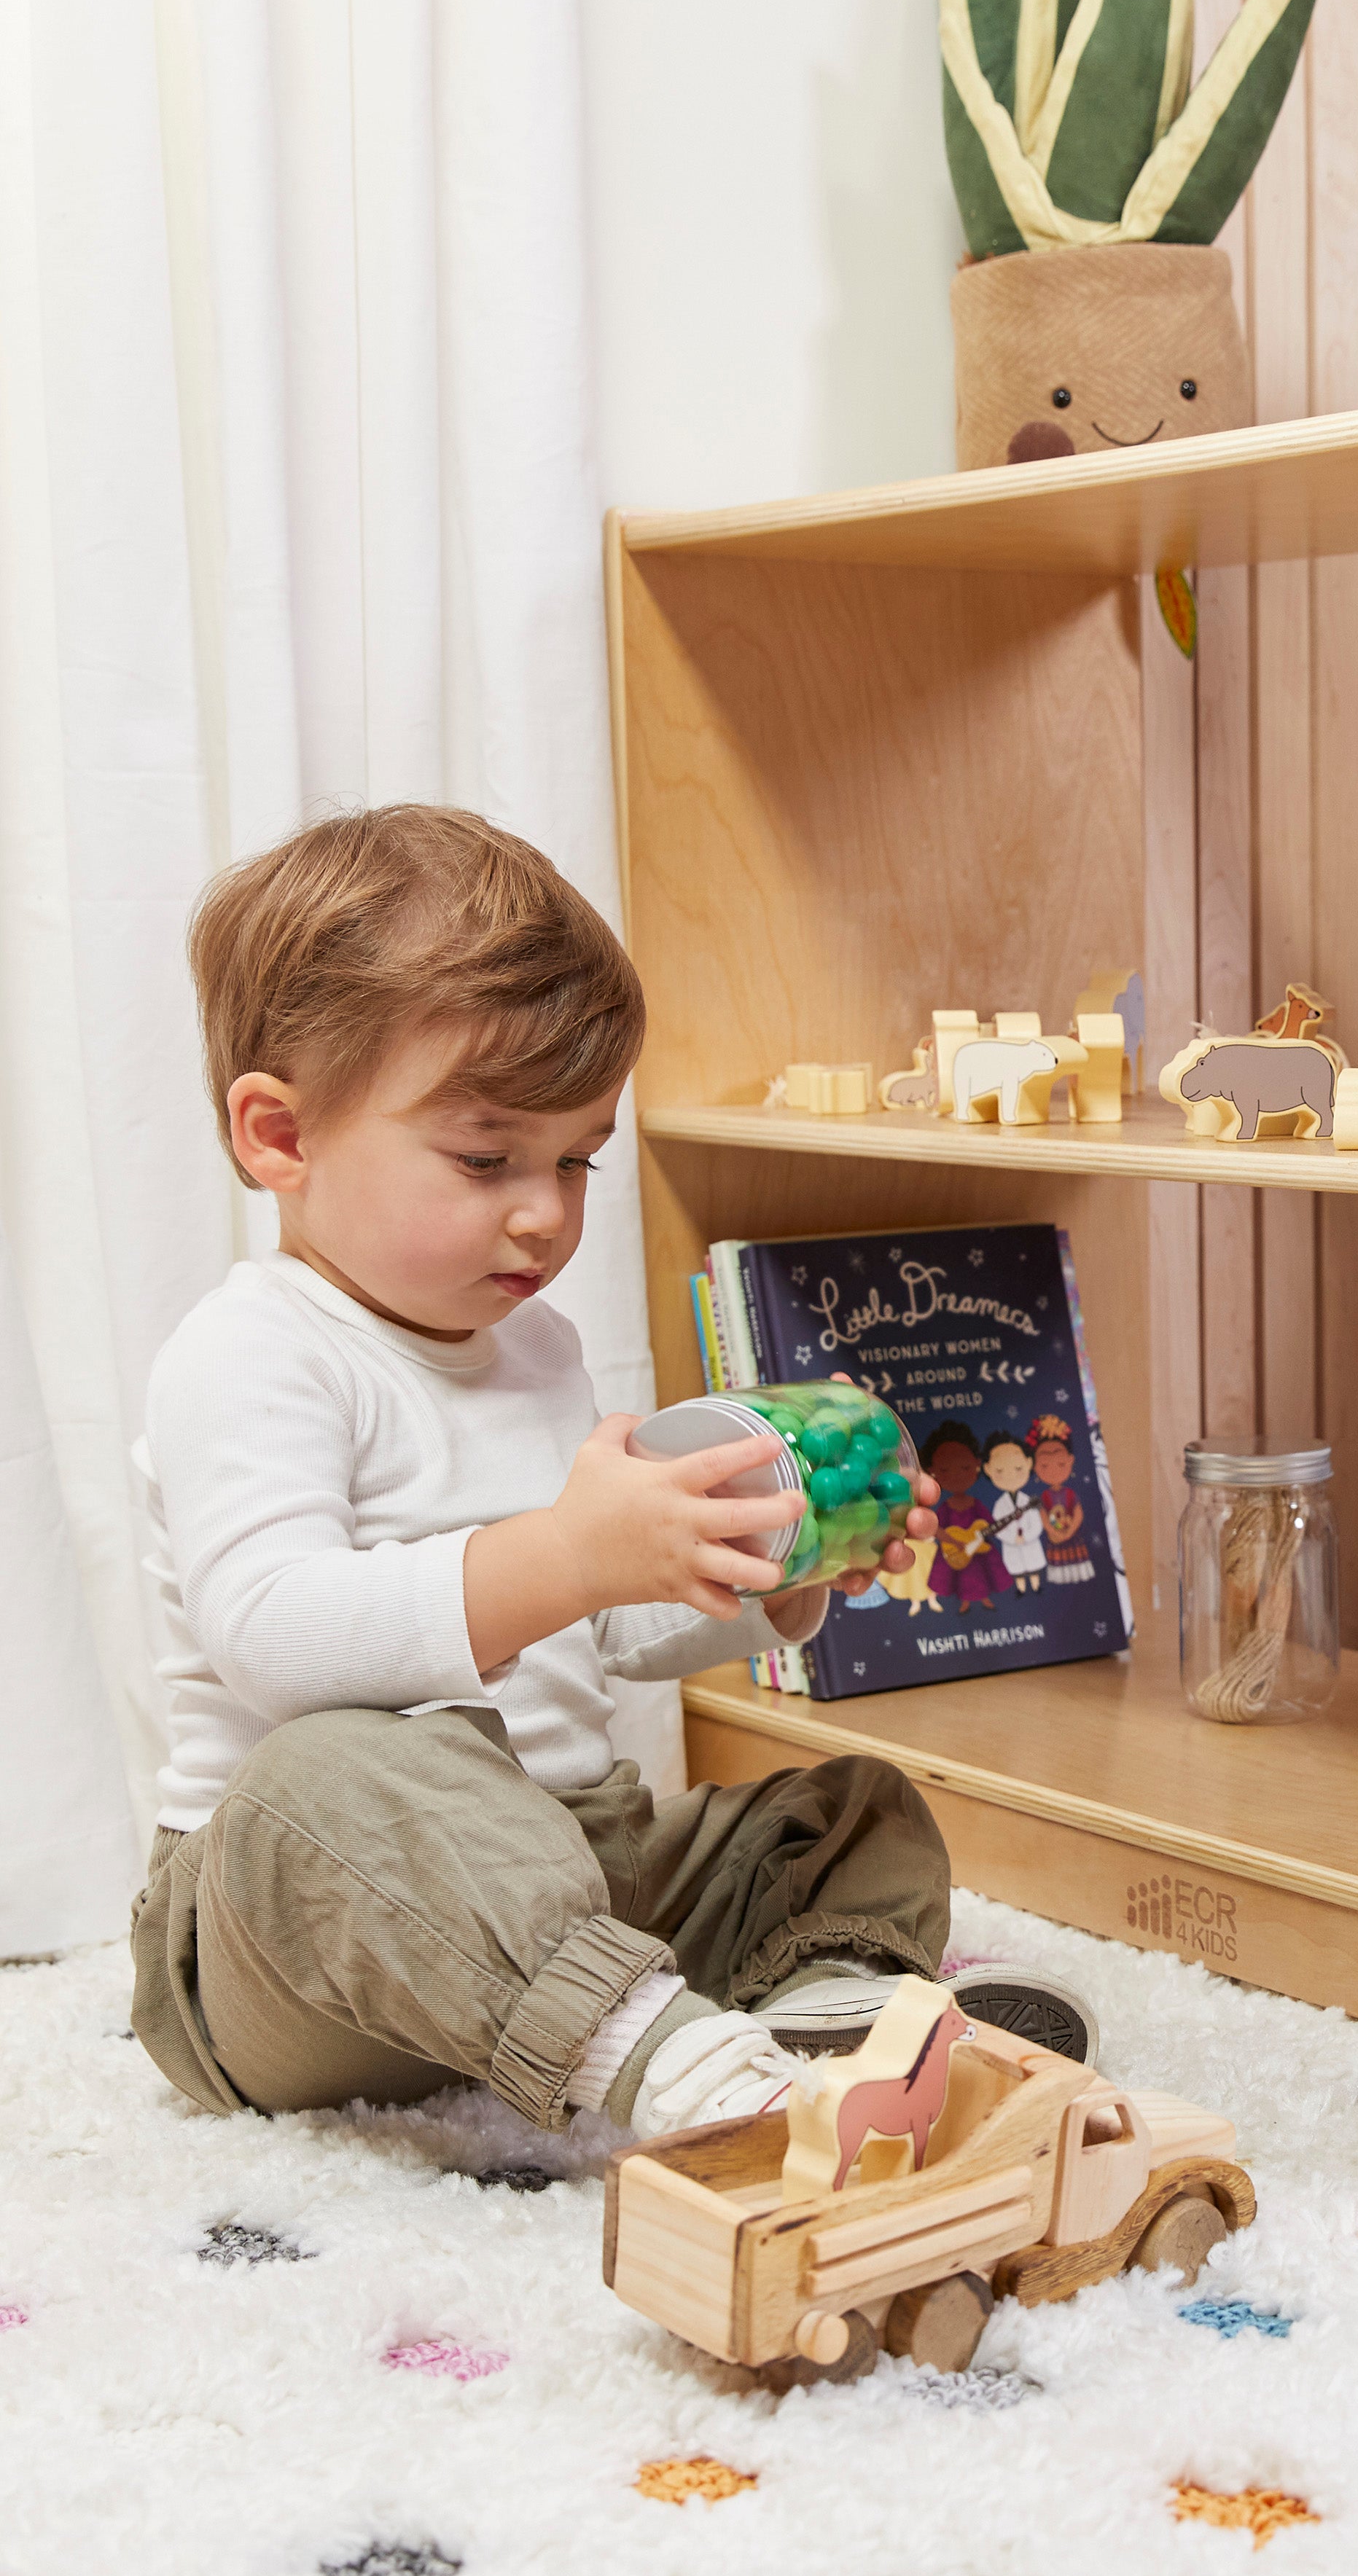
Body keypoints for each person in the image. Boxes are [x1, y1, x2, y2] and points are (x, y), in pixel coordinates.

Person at [132, 807, 1092, 2141]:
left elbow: (611, 1629)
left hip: (562, 1873)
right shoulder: (251, 1353)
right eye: (486, 1158)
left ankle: (818, 2014)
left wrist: (776, 1568)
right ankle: (656, 2054)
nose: (546, 1210)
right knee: (320, 1779)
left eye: (575, 1158)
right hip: (292, 1927)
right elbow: (274, 1644)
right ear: (279, 1138)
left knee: (848, 1815)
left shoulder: (536, 1347)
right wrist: (568, 1553)